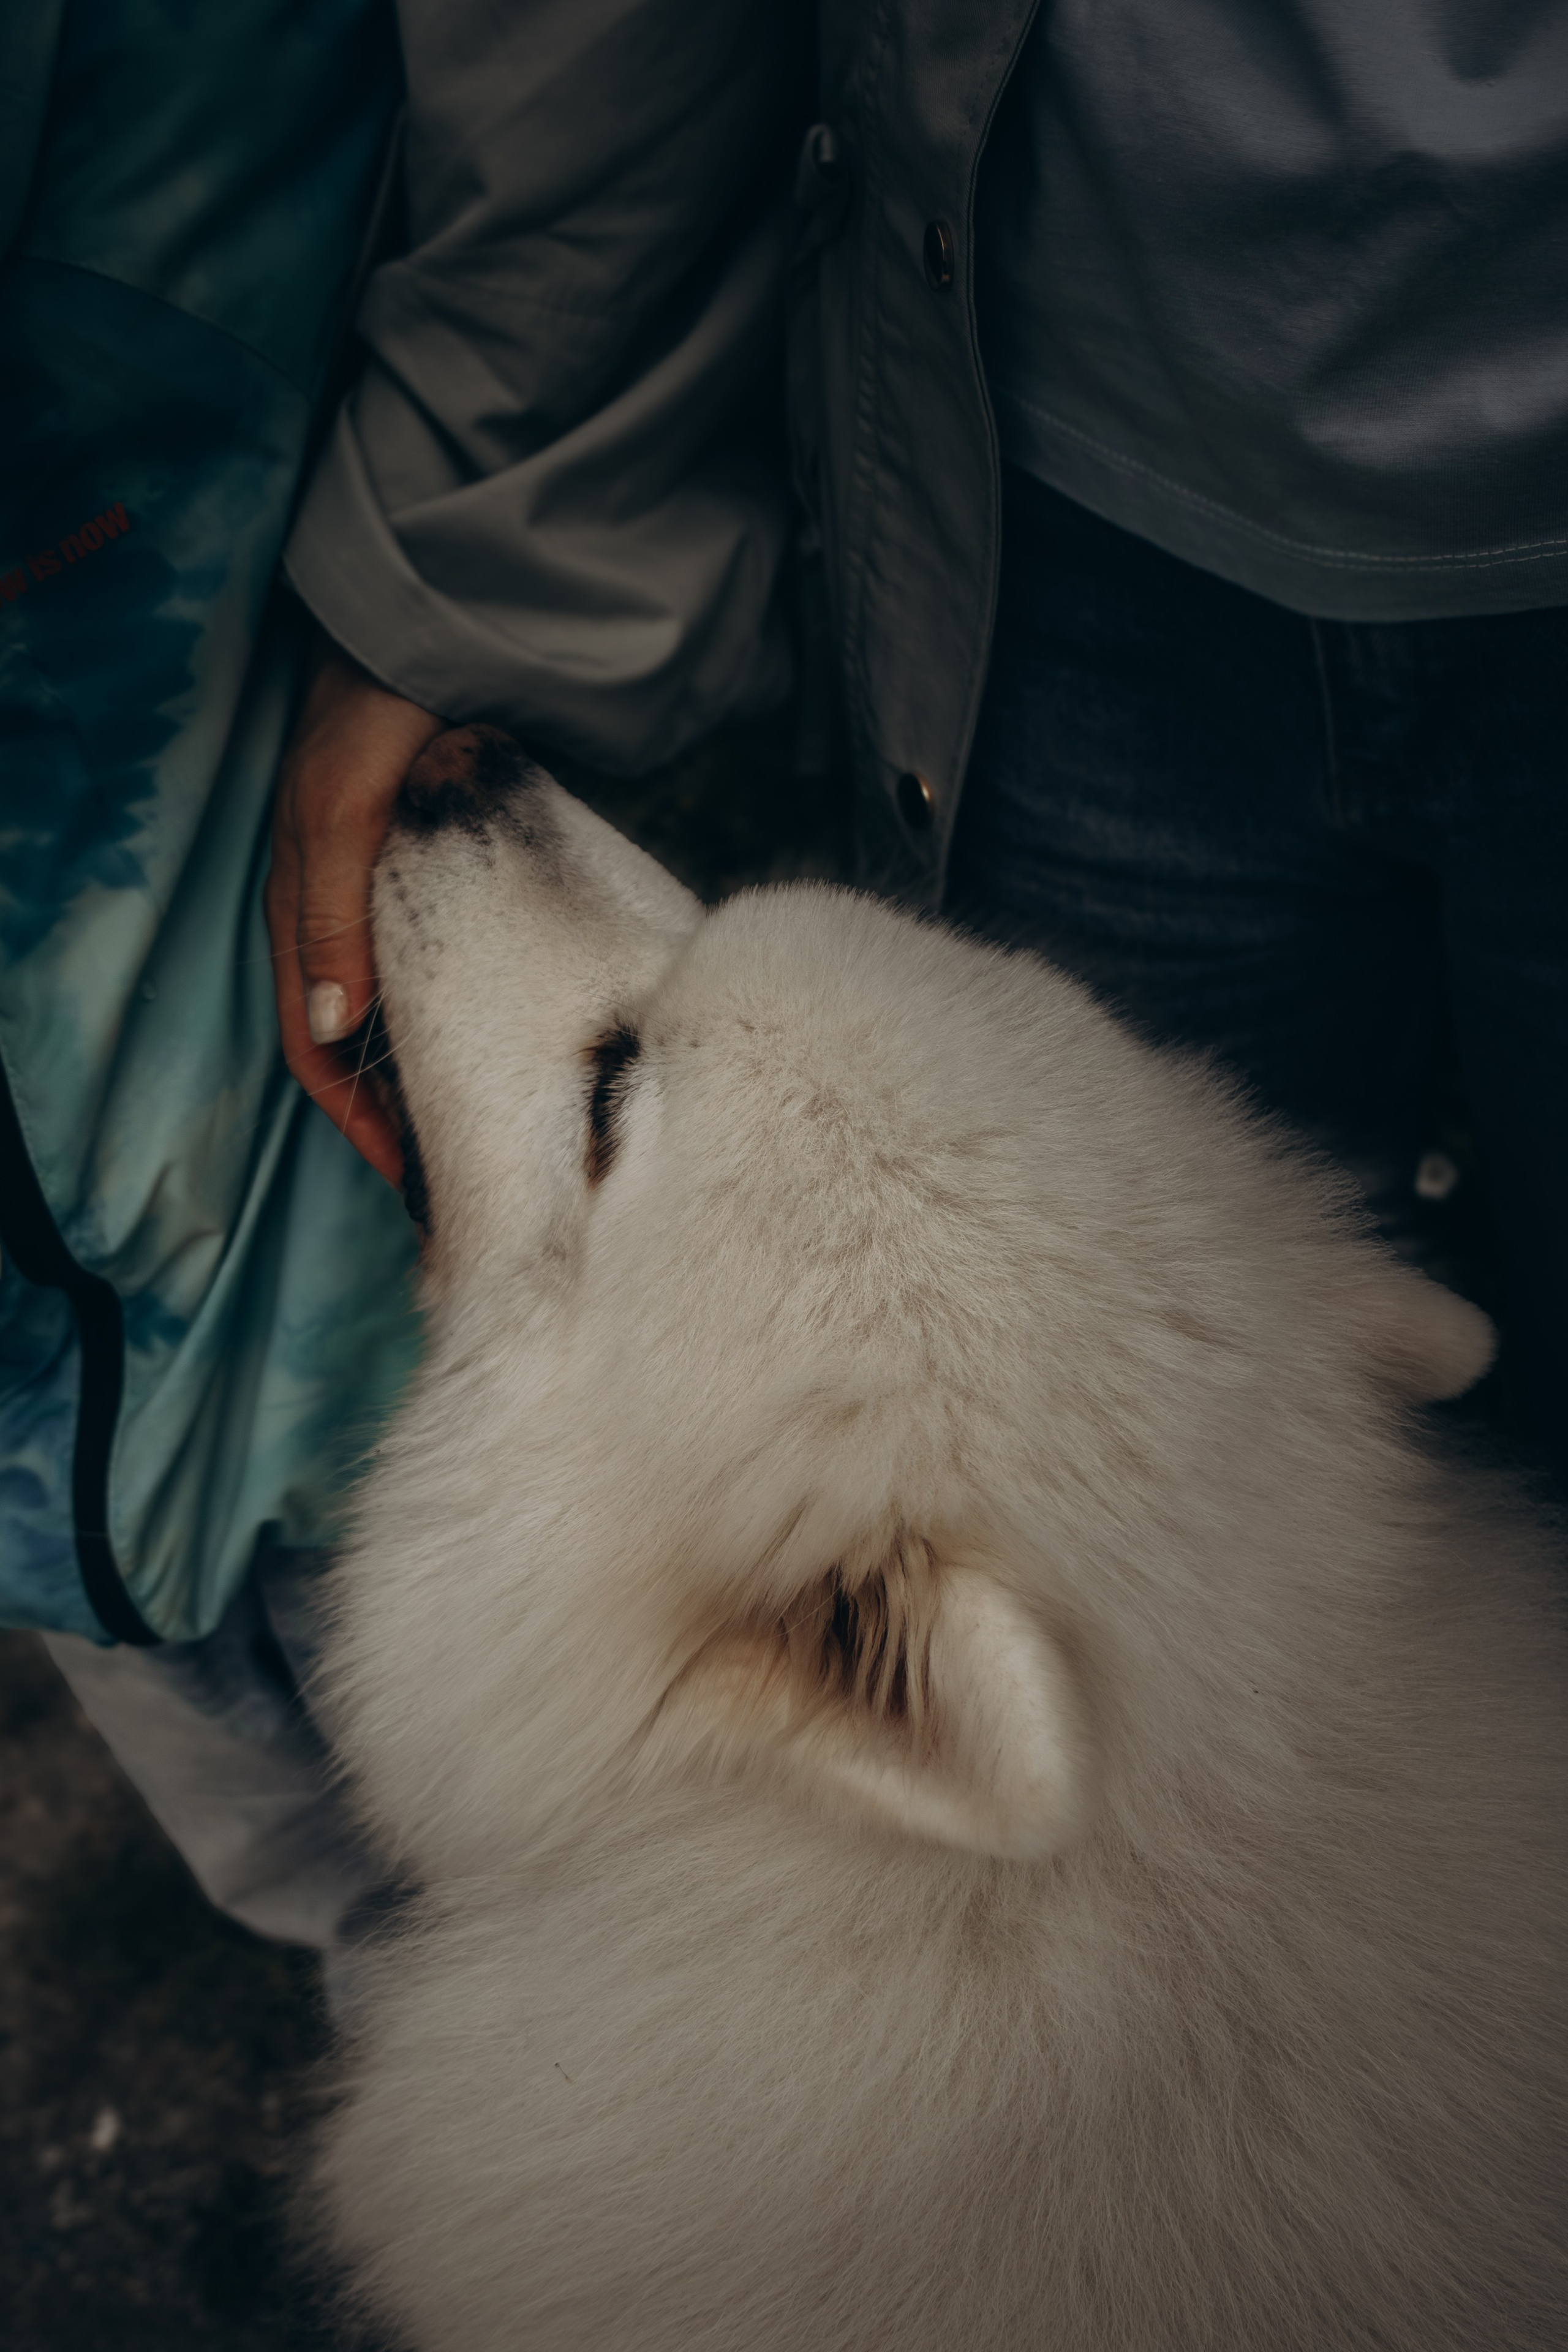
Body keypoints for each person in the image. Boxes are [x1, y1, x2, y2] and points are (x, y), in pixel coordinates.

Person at [18, 0, 1568, 1967]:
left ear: (851, 1658)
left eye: (614, 1095)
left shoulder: (893, 1645)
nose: (524, 815)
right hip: (1092, 454)